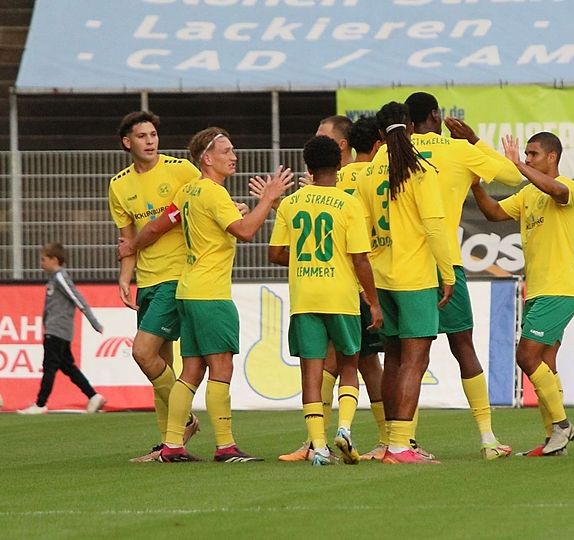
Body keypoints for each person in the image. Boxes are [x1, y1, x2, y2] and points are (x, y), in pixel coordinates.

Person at [120, 127, 292, 462]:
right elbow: (245, 232)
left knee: (191, 371)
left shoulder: (191, 191)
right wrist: (268, 200)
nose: (234, 156)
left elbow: (182, 224)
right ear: (207, 158)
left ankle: (172, 445)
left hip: (188, 289)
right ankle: (225, 446)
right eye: (226, 151)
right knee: (221, 367)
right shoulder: (213, 192)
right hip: (211, 293)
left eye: (233, 149)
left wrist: (239, 209)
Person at [404, 91, 521, 460]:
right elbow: (513, 175)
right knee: (463, 347)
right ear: (436, 115)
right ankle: (487, 438)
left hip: (402, 265)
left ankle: (399, 441)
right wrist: (473, 140)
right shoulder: (457, 150)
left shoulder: (393, 153)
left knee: (408, 356)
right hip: (445, 265)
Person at [268, 135, 383, 466]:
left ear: (308, 167)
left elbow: (275, 253)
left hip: (305, 296)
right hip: (341, 296)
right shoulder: (349, 204)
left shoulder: (291, 204)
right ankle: (344, 429)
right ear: (339, 164)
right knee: (349, 364)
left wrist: (307, 260)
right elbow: (360, 259)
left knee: (311, 371)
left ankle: (317, 446)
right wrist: (373, 302)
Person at [355, 101, 455, 464]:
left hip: (382, 278)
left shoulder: (366, 175)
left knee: (395, 359)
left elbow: (361, 235)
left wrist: (366, 286)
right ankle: (400, 445)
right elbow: (434, 226)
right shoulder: (420, 170)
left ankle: (389, 442)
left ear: (380, 134)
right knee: (415, 361)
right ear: (411, 127)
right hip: (414, 279)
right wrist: (447, 274)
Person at [471, 132, 574, 457]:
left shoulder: (567, 187)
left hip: (559, 290)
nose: (529, 159)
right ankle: (554, 439)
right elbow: (493, 213)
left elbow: (557, 191)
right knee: (546, 361)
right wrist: (475, 184)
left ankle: (562, 426)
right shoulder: (528, 194)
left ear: (552, 157)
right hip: (540, 291)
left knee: (526, 356)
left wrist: (517, 164)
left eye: (534, 154)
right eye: (527, 155)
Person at [107, 111, 201, 461]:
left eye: (153, 134)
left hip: (176, 277)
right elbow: (127, 238)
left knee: (142, 353)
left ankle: (187, 420)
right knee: (160, 365)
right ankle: (169, 444)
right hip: (147, 281)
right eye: (142, 136)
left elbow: (206, 200)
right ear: (127, 142)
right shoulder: (119, 184)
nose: (150, 141)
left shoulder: (180, 170)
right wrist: (124, 277)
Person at [18, 243, 107, 415]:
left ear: (54, 260)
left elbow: (77, 298)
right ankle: (93, 396)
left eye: (43, 259)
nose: (41, 263)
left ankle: (40, 404)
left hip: (57, 331)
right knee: (68, 367)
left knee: (49, 366)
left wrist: (94, 322)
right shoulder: (53, 279)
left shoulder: (60, 277)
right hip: (56, 330)